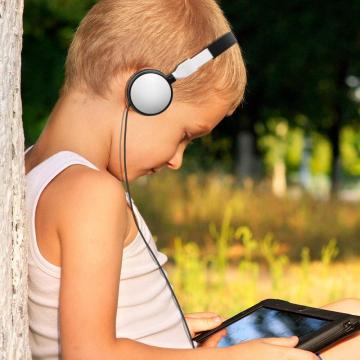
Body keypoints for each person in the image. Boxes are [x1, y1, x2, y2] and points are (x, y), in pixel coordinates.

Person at [24, 0, 360, 359]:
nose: (177, 160)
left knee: (349, 312)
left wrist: (166, 326)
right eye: (185, 134)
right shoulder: (91, 195)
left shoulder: (32, 169)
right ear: (143, 90)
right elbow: (89, 354)